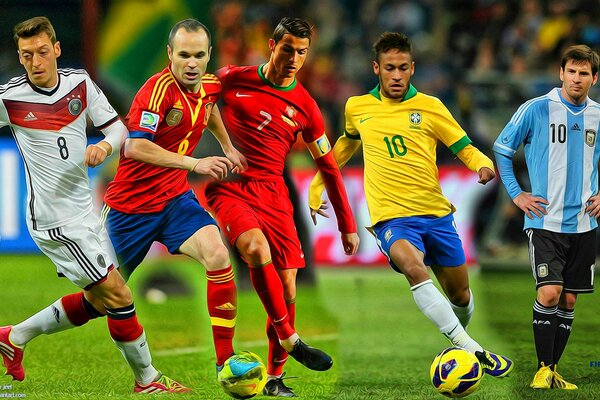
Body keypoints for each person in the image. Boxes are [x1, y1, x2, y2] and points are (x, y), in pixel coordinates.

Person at [0, 16, 189, 394]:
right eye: (26, 56)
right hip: (54, 221)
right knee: (118, 293)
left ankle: (13, 336)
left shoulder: (80, 84)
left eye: (41, 53)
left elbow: (118, 128)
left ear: (56, 49)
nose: (35, 63)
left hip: (86, 213)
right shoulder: (9, 97)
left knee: (99, 301)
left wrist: (104, 145)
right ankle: (147, 380)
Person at [309, 32, 513, 380]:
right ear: (377, 68)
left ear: (412, 68)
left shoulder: (431, 106)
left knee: (460, 295)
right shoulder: (357, 107)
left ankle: (458, 341)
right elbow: (343, 147)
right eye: (390, 68)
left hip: (436, 215)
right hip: (392, 219)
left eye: (403, 67)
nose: (397, 75)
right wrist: (317, 186)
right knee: (413, 266)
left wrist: (482, 164)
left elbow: (461, 144)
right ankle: (473, 350)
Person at [204, 17, 360, 397]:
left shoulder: (306, 106)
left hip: (275, 196)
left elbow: (329, 166)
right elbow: (194, 95)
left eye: (302, 52)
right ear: (272, 45)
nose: (294, 58)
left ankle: (275, 378)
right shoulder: (232, 77)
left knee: (288, 288)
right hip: (231, 187)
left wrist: (346, 223)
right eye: (288, 48)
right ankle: (291, 339)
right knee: (255, 249)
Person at [493, 44, 600, 391]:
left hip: (585, 223)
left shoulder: (598, 115)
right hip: (545, 222)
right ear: (561, 73)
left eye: (584, 73)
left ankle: (553, 371)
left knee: (569, 299)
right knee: (551, 292)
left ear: (594, 78)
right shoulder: (537, 109)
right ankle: (542, 368)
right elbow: (502, 149)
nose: (577, 78)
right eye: (572, 71)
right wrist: (517, 193)